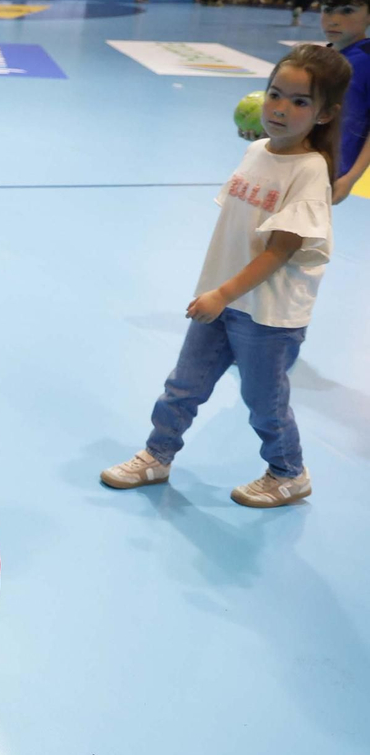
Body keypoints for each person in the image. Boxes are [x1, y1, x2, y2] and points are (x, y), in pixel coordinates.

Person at [101, 45, 350, 508]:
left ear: (325, 114)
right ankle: (157, 455)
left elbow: (279, 251)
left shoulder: (310, 172)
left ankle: (288, 473)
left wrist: (222, 293)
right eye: (276, 94)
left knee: (264, 402)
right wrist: (218, 293)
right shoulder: (258, 150)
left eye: (300, 102)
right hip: (223, 297)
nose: (280, 108)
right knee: (182, 386)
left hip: (267, 315)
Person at [317, 0, 370, 202]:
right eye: (327, 9)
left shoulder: (366, 61)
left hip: (330, 172)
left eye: (348, 10)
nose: (334, 19)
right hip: (300, 162)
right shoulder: (323, 56)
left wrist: (351, 177)